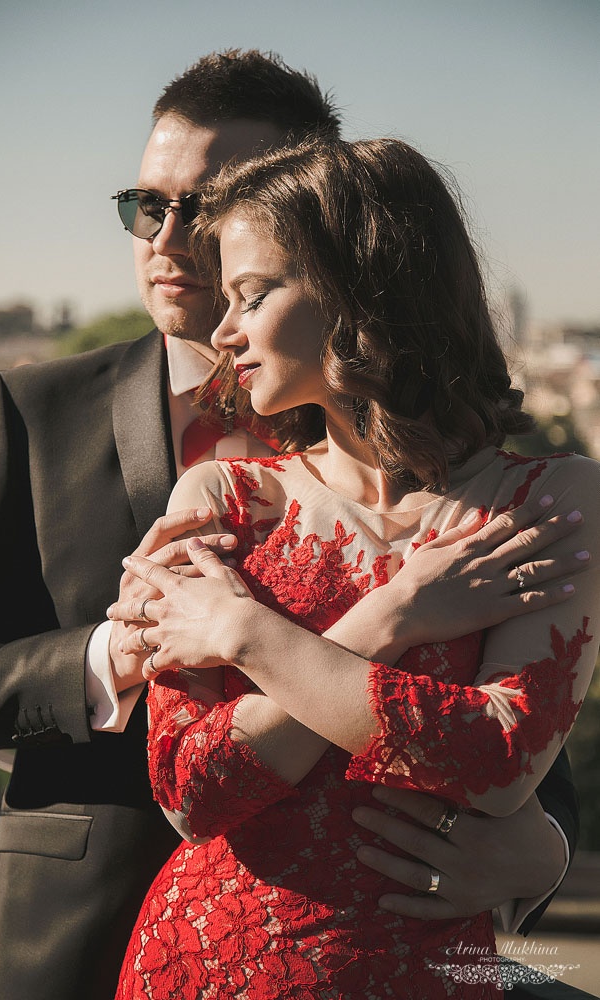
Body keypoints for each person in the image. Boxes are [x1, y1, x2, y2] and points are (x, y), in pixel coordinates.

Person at [0, 51, 584, 1000]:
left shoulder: (507, 485)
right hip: (92, 926)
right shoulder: (33, 409)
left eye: (201, 207)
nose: (165, 238)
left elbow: (519, 717)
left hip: (399, 929)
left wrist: (545, 846)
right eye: (143, 205)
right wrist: (122, 651)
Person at [110, 136, 600, 998]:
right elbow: (190, 793)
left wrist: (245, 634)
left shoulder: (550, 500)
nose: (222, 332)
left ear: (359, 289)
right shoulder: (222, 498)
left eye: (252, 294)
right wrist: (390, 617)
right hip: (201, 963)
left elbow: (497, 763)